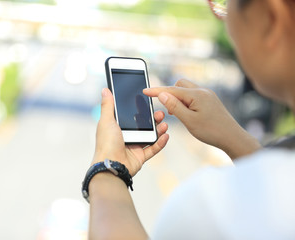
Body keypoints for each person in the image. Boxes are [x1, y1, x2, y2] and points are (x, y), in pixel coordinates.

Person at [83, 0, 295, 239]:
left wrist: (105, 169)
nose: (218, 16)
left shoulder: (211, 208)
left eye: (225, 2)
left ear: (272, 18)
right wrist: (233, 137)